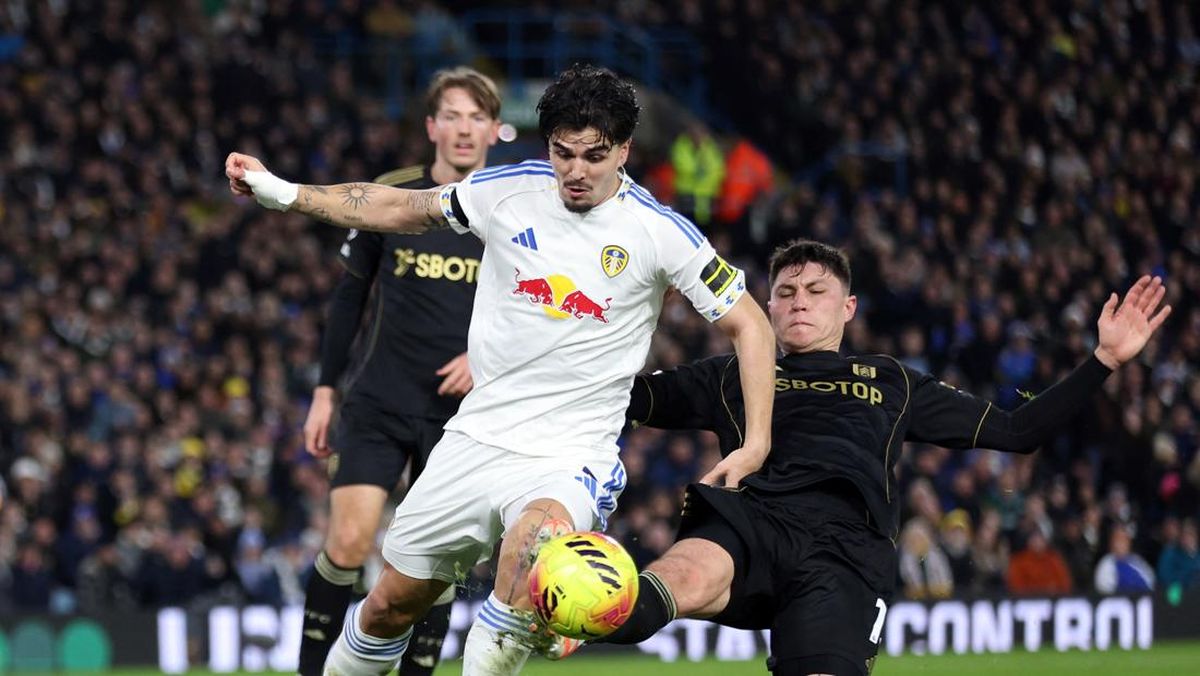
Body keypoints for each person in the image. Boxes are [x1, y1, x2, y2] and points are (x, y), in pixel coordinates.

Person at [225, 64, 777, 675]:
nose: (576, 170)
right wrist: (285, 193)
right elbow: (401, 205)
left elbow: (751, 325)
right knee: (388, 607)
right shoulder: (506, 192)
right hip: (475, 437)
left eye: (594, 156)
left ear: (624, 151)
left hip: (569, 454)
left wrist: (755, 444)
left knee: (528, 555)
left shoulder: (660, 232)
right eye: (563, 153)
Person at [595, 239, 1169, 675]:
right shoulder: (730, 373)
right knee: (661, 584)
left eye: (815, 291)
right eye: (786, 293)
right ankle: (570, 616)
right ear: (766, 308)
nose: (799, 303)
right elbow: (619, 397)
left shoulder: (891, 380)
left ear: (848, 307)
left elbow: (1018, 431)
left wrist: (1102, 362)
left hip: (846, 547)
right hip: (751, 521)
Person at [296, 66, 502, 676]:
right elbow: (349, 297)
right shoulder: (395, 193)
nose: (464, 129)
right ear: (432, 127)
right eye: (453, 116)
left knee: (432, 568)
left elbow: (539, 307)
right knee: (348, 543)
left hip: (461, 419)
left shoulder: (508, 210)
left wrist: (486, 358)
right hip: (379, 401)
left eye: (477, 117)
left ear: (494, 129)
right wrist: (325, 391)